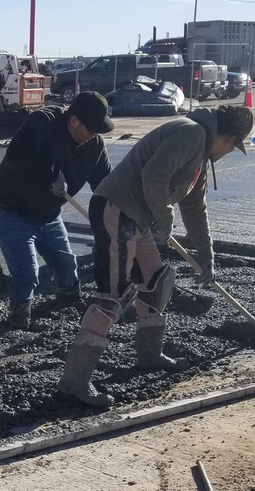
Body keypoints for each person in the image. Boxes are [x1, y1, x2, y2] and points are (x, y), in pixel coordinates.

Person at [57, 104, 254, 407]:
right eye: (232, 147)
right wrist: (164, 217)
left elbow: (194, 205)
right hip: (118, 208)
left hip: (137, 217)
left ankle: (149, 356)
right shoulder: (191, 133)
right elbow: (154, 176)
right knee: (114, 295)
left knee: (156, 281)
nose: (227, 153)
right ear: (228, 139)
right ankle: (74, 383)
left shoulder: (200, 152)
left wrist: (206, 252)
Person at [0, 91, 114, 330]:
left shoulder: (94, 145)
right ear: (74, 120)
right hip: (11, 210)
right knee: (27, 274)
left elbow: (105, 185)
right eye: (91, 129)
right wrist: (50, 173)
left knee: (67, 266)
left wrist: (123, 208)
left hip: (48, 214)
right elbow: (18, 154)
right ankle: (17, 320)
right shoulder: (43, 122)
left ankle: (68, 307)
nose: (94, 135)